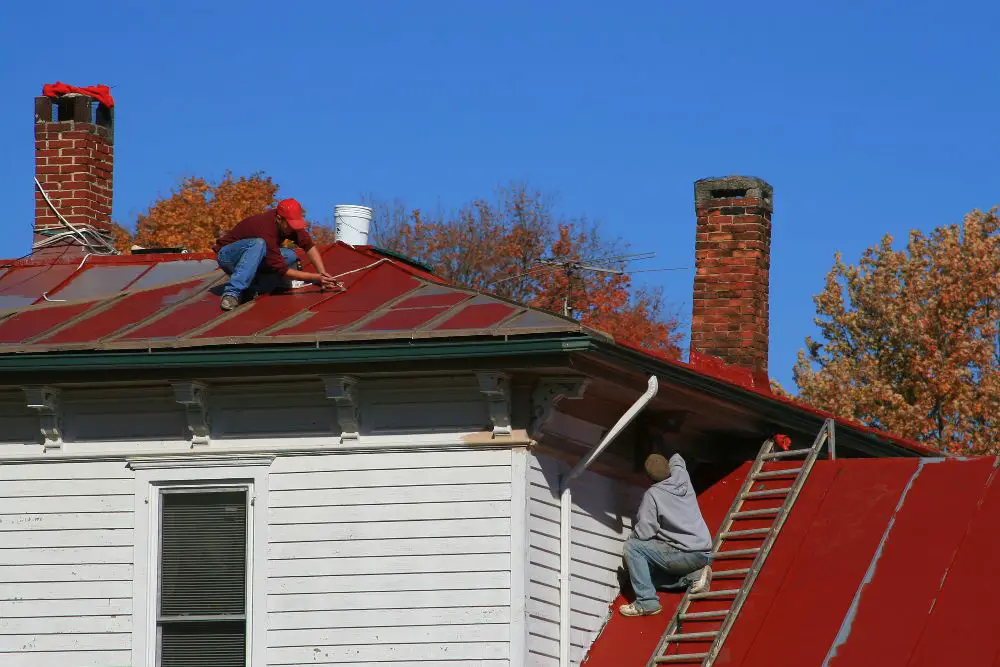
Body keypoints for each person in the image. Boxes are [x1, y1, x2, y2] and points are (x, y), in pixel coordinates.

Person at [619, 452, 713, 617]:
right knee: (649, 579)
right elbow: (677, 457)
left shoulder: (653, 495)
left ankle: (646, 603)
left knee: (633, 548)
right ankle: (696, 576)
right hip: (703, 552)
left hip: (684, 555)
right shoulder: (682, 475)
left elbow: (645, 532)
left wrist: (631, 537)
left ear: (649, 477)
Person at [213, 198, 338, 311]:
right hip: (228, 257)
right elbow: (282, 270)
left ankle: (254, 287)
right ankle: (232, 294)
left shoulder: (288, 225)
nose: (292, 228)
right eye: (290, 225)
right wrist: (315, 278)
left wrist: (322, 274)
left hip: (252, 257)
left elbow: (309, 246)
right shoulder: (265, 228)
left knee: (290, 255)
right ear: (279, 218)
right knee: (258, 244)